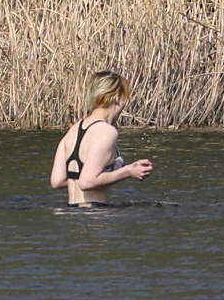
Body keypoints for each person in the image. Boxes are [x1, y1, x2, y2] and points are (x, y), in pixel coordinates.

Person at [47, 69, 153, 204]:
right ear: (117, 98)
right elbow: (86, 182)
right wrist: (128, 171)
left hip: (70, 214)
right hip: (94, 216)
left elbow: (57, 181)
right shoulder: (107, 132)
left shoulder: (73, 130)